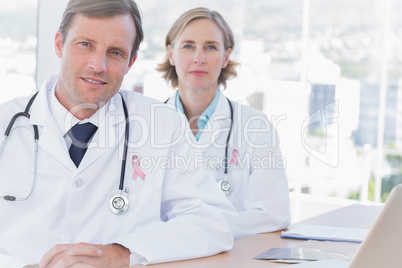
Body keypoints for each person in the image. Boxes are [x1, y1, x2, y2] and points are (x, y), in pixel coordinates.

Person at [0, 1, 237, 267]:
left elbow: (214, 222)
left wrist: (124, 253)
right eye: (85, 44)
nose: (97, 65)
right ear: (59, 44)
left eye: (115, 52)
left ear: (130, 61)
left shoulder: (161, 124)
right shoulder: (4, 124)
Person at [157, 7, 291, 239]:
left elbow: (273, 213)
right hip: (164, 258)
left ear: (226, 56)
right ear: (171, 54)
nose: (199, 58)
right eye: (188, 46)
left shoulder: (255, 127)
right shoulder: (148, 124)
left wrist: (200, 232)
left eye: (210, 47)